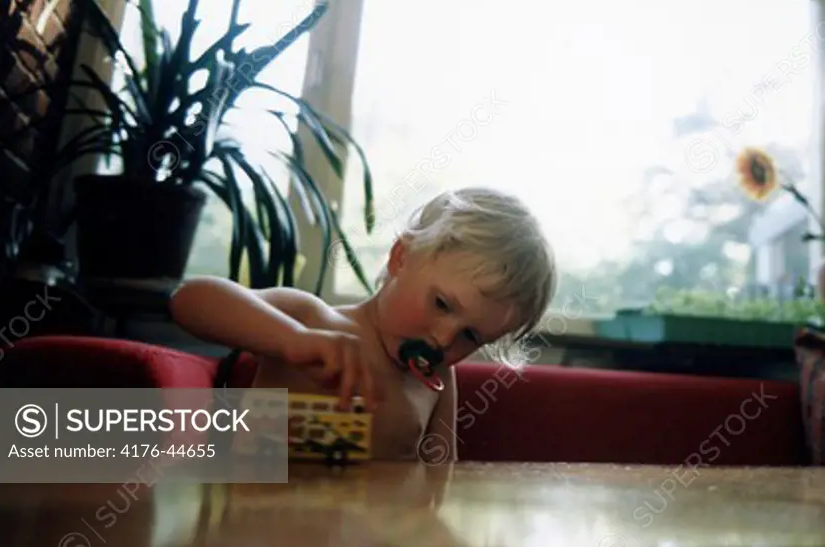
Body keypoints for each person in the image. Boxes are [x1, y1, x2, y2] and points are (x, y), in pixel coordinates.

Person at [169, 187, 557, 462]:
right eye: (441, 304)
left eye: (470, 336)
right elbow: (190, 300)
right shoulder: (311, 319)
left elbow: (440, 475)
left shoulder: (436, 379)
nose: (442, 340)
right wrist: (293, 340)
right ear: (401, 257)